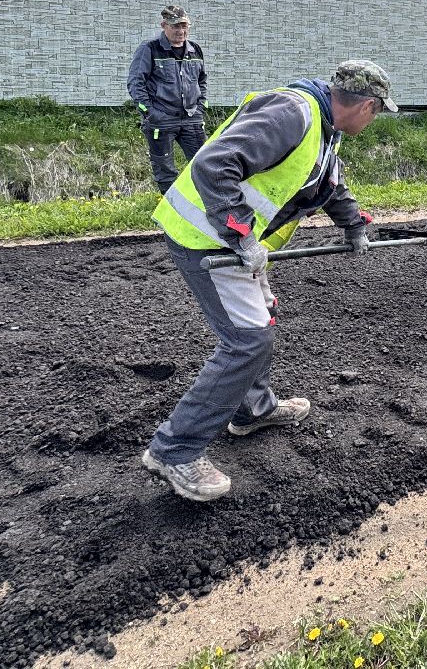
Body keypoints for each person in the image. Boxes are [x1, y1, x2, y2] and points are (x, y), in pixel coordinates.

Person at [140, 59, 396, 502]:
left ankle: (253, 409)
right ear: (367, 106)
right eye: (378, 114)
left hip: (230, 241)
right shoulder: (292, 114)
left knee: (264, 319)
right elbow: (213, 165)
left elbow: (325, 181)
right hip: (206, 238)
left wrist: (353, 224)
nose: (374, 121)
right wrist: (239, 230)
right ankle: (175, 449)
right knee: (247, 340)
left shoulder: (322, 125)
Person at [127, 5, 208, 194]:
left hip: (191, 119)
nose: (181, 31)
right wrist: (150, 113)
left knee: (204, 163)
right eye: (175, 26)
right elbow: (136, 84)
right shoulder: (150, 48)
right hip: (161, 120)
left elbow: (202, 81)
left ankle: (201, 206)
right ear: (164, 25)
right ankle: (170, 212)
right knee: (165, 171)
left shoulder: (195, 50)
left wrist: (200, 107)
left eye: (184, 26)